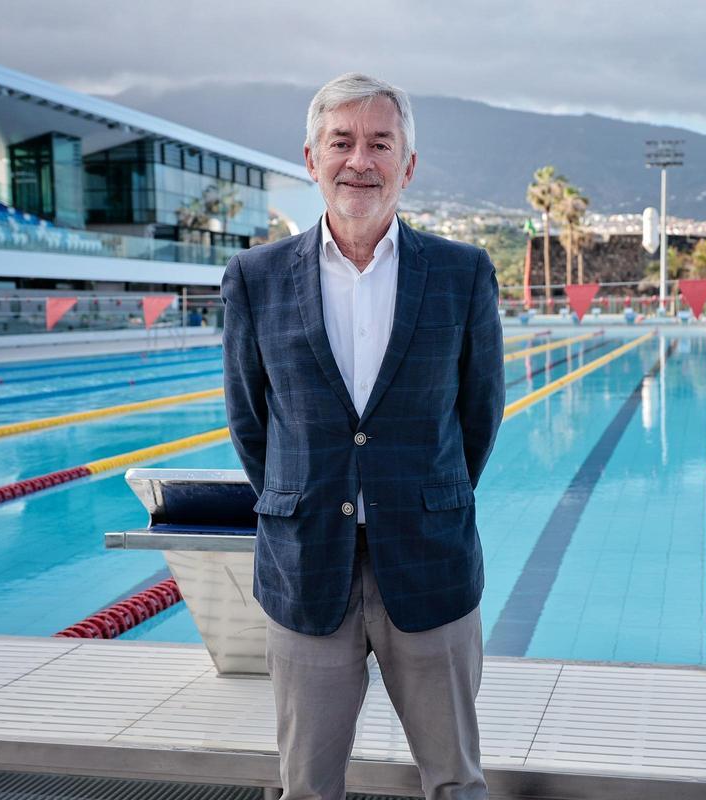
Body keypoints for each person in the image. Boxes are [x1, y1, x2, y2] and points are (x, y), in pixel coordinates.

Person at [220, 73, 505, 800]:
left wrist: (424, 498)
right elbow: (251, 422)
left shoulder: (462, 273)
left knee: (455, 783)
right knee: (307, 787)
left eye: (380, 143)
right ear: (310, 157)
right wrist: (305, 496)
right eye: (341, 142)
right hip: (307, 565)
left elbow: (479, 415)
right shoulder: (254, 278)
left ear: (407, 165)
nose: (360, 160)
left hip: (430, 562)